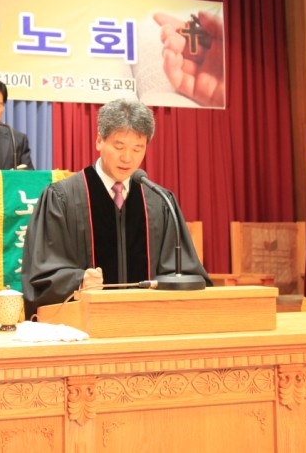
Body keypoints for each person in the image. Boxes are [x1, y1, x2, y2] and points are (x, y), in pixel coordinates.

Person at [21, 98, 210, 318]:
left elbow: (184, 272)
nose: (127, 158)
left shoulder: (159, 201)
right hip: (84, 326)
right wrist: (79, 281)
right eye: (119, 146)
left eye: (137, 148)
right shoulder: (62, 198)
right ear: (99, 141)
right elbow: (42, 274)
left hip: (149, 324)